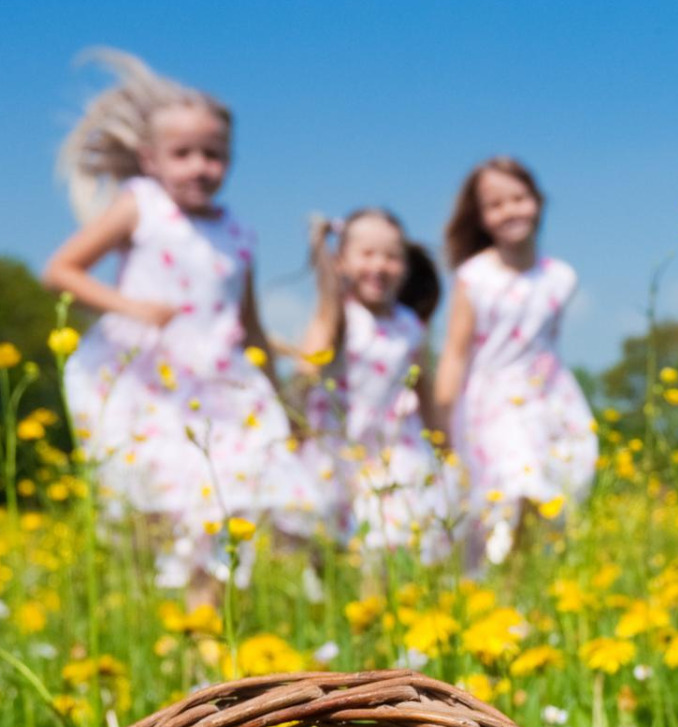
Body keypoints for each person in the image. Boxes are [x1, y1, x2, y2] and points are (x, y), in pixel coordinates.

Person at [42, 49, 327, 596]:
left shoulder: (240, 234)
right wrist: (133, 308)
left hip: (222, 385)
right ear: (151, 159)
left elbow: (249, 326)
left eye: (214, 155)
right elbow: (61, 270)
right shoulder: (141, 204)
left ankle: (205, 621)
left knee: (228, 503)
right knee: (159, 509)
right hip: (147, 380)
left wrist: (284, 394)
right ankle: (159, 614)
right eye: (184, 154)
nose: (200, 166)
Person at [431, 157, 596, 572]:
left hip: (551, 398)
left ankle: (521, 586)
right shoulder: (474, 276)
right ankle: (491, 584)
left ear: (538, 201)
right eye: (495, 204)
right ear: (482, 217)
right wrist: (441, 418)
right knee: (511, 491)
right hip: (494, 402)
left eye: (518, 198)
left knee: (549, 499)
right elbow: (455, 351)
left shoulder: (561, 276)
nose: (510, 210)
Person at [298, 208, 464, 567]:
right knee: (329, 547)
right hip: (337, 451)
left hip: (393, 450)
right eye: (368, 254)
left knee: (391, 537)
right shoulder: (335, 317)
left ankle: (379, 609)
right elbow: (304, 373)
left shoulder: (409, 325)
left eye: (391, 256)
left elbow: (423, 388)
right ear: (342, 261)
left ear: (405, 265)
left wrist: (445, 446)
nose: (380, 265)